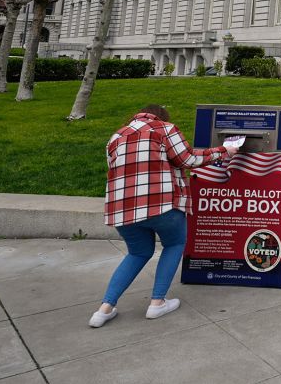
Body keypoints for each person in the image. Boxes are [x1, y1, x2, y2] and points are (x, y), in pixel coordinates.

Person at [90, 104, 235, 328]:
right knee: (175, 244)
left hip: (122, 209)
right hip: (162, 204)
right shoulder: (165, 129)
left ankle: (103, 310)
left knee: (137, 253)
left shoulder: (116, 136)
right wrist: (225, 151)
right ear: (161, 116)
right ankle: (157, 303)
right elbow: (188, 160)